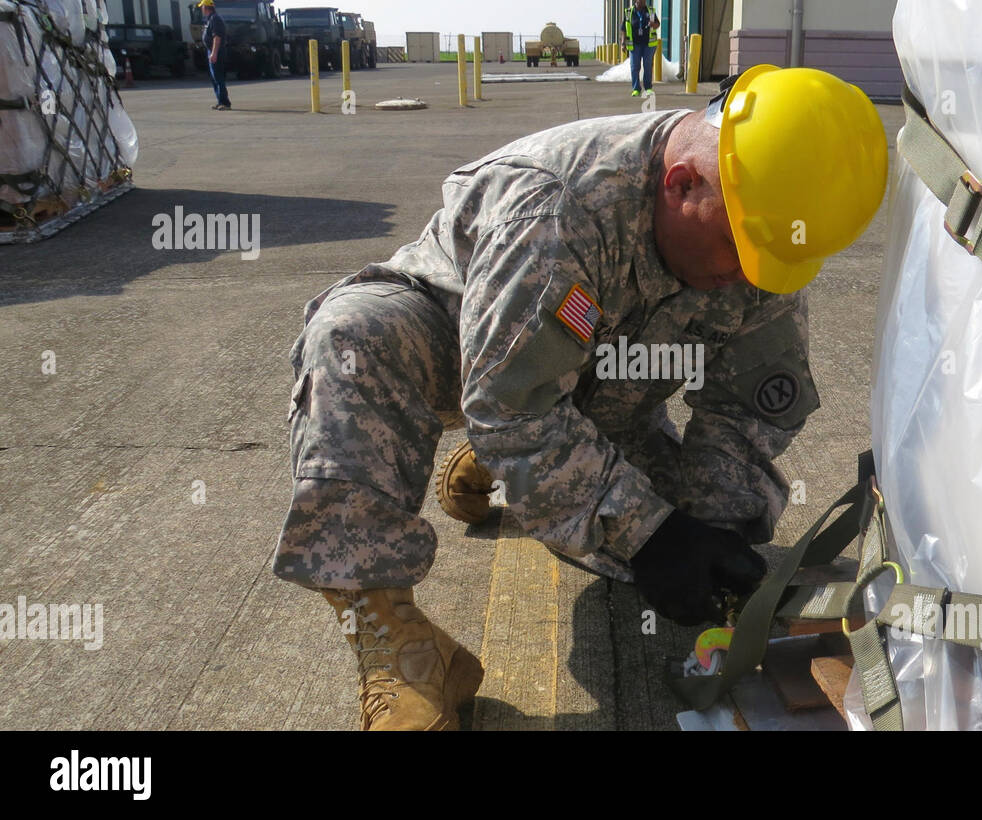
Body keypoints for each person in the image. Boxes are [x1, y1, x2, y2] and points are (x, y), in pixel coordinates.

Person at [273, 65, 889, 730]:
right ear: (681, 185)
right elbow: (507, 403)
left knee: (681, 549)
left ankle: (520, 465)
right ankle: (399, 649)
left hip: (604, 395)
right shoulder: (558, 204)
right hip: (470, 359)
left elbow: (744, 407)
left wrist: (712, 530)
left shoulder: (762, 227)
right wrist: (649, 534)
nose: (744, 279)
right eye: (738, 252)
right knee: (352, 338)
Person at [198, 0, 231, 110]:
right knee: (215, 78)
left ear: (206, 7)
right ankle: (220, 101)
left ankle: (225, 103)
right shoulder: (210, 19)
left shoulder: (215, 19)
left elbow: (217, 37)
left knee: (218, 77)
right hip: (212, 51)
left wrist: (214, 53)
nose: (201, 9)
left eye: (202, 7)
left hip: (217, 51)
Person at [623, 0, 659, 97]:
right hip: (635, 44)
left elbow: (657, 24)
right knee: (635, 67)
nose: (643, 2)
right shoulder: (629, 12)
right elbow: (623, 28)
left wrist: (653, 25)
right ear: (636, 1)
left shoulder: (650, 11)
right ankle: (636, 89)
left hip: (648, 44)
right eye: (641, 0)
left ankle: (648, 88)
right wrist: (623, 43)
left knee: (647, 66)